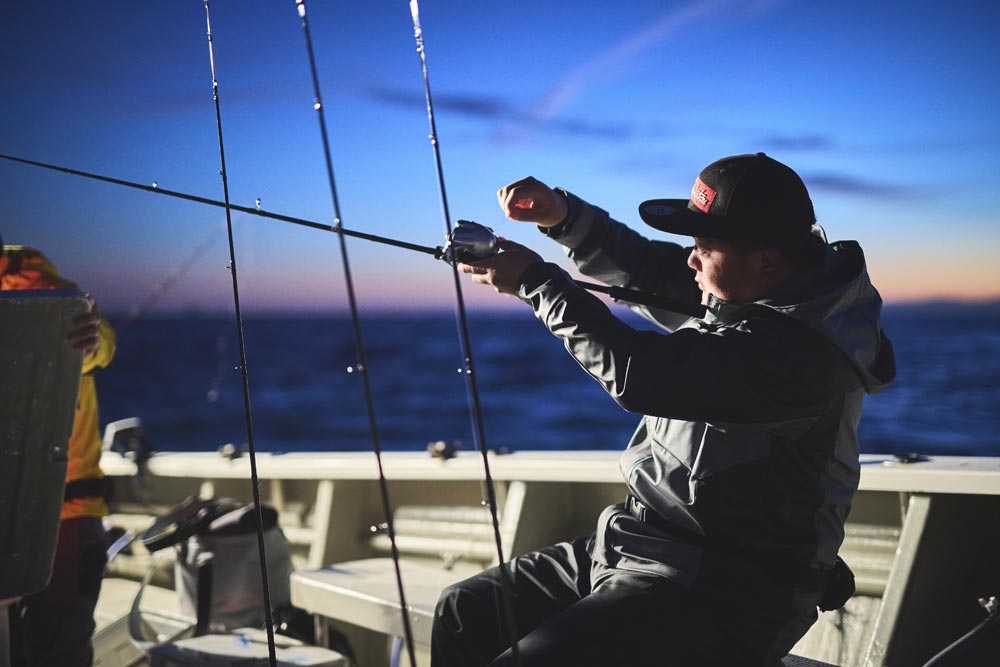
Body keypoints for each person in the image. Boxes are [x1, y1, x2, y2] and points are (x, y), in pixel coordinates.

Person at [435, 153, 895, 666]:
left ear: (766, 261)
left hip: (724, 585)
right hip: (635, 543)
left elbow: (640, 373)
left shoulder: (802, 354)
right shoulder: (749, 287)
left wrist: (535, 283)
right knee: (464, 611)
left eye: (703, 246)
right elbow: (650, 270)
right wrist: (563, 217)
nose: (691, 261)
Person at [1, 236, 117, 667]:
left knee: (57, 647)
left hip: (63, 514)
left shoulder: (40, 286)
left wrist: (90, 340)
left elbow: (98, 343)